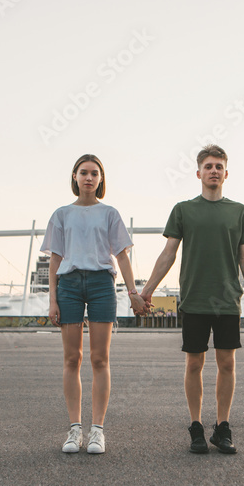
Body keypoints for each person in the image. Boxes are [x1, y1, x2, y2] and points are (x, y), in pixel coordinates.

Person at [141, 144, 244, 454]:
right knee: (194, 363)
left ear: (226, 173)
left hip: (227, 301)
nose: (214, 171)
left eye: (219, 166)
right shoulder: (183, 210)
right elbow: (169, 253)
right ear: (198, 173)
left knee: (227, 364)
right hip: (194, 300)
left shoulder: (239, 211)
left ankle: (223, 427)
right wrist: (148, 290)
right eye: (208, 166)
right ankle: (195, 427)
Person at [41, 154, 148, 455]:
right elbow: (54, 261)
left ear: (101, 180)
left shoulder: (110, 213)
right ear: (74, 177)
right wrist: (53, 300)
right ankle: (75, 429)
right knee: (72, 359)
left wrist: (132, 292)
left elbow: (122, 255)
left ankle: (97, 430)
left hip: (102, 284)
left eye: (95, 173)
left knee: (100, 359)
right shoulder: (61, 215)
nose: (89, 177)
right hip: (70, 286)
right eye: (83, 172)